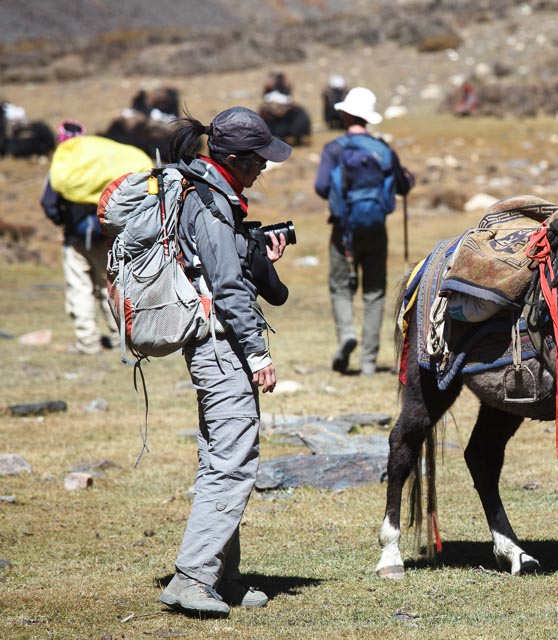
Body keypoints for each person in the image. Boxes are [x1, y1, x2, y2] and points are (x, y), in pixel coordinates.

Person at [158, 106, 292, 616]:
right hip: (221, 346)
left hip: (215, 342)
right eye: (258, 159)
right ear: (233, 158)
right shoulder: (211, 204)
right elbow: (228, 287)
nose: (264, 167)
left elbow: (223, 269)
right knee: (232, 462)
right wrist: (259, 351)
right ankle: (191, 579)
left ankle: (222, 577)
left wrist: (261, 257)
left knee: (221, 456)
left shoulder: (209, 194)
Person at [313, 87, 414, 375]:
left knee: (341, 288)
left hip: (343, 230)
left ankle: (347, 334)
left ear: (345, 114)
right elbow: (403, 186)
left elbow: (321, 187)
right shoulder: (383, 149)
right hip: (376, 230)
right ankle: (369, 361)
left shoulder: (334, 149)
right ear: (367, 117)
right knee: (374, 291)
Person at [40, 120, 121, 355]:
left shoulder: (61, 166)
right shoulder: (102, 162)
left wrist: (62, 222)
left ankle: (88, 343)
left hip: (75, 236)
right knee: (109, 287)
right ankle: (120, 339)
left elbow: (48, 202)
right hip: (105, 236)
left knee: (80, 289)